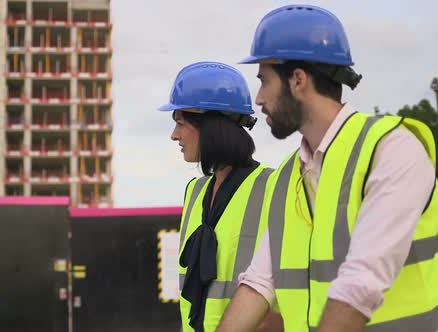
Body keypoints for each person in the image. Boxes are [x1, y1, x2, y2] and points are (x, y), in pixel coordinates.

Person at [217, 4, 438, 332]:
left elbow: (360, 287)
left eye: (263, 81)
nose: (259, 98)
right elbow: (260, 282)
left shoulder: (392, 149)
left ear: (298, 80)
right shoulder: (286, 178)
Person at [159, 61, 282, 332]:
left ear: (211, 127)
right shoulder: (194, 192)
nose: (174, 135)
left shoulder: (274, 187)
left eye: (180, 123)